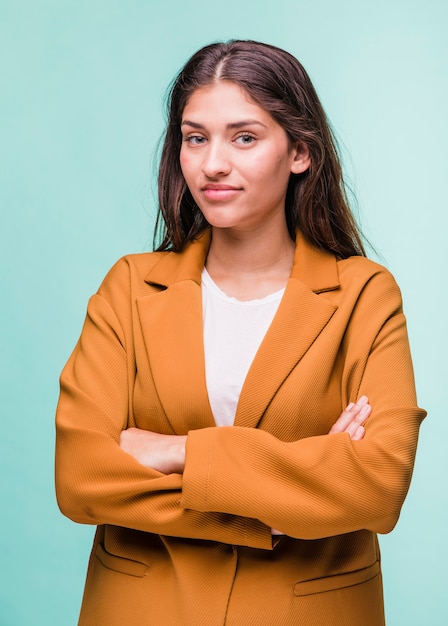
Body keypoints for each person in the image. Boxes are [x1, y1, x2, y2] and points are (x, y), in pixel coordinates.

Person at [55, 40, 426, 625]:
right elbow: (82, 477)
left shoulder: (363, 295)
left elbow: (376, 486)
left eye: (245, 137)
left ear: (300, 151)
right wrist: (296, 490)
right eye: (195, 137)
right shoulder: (128, 289)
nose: (212, 164)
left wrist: (177, 453)